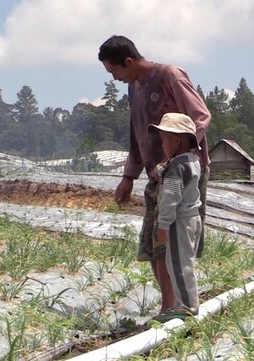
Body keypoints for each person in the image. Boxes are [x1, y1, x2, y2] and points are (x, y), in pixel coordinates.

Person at [98, 35, 211, 317]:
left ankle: (177, 308)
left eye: (115, 72)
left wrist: (177, 158)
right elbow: (137, 134)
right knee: (153, 242)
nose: (115, 79)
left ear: (129, 61)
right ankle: (169, 306)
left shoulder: (169, 76)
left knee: (172, 244)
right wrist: (128, 177)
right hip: (156, 175)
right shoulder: (134, 89)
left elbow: (201, 117)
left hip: (180, 174)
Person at [149, 113, 202, 321]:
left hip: (179, 221)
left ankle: (188, 307)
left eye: (164, 140)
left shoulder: (176, 168)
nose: (162, 145)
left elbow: (170, 198)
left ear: (177, 140)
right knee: (184, 261)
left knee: (178, 264)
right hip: (192, 218)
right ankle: (184, 303)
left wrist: (163, 224)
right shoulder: (191, 162)